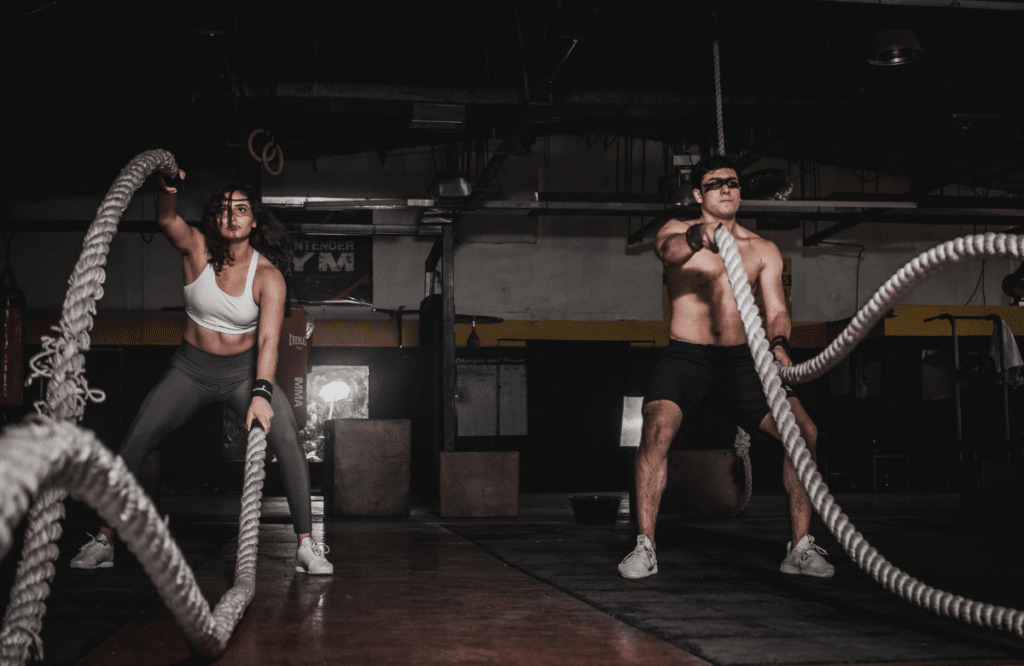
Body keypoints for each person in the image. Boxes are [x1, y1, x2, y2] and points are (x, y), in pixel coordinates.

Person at [71, 170, 332, 575]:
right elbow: (165, 220)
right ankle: (104, 540)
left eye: (241, 210)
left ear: (253, 221)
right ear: (216, 218)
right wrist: (168, 188)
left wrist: (262, 393)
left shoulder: (268, 277)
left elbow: (268, 342)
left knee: (288, 439)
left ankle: (306, 545)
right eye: (224, 210)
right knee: (138, 436)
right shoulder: (196, 248)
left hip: (245, 373)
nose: (232, 217)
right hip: (190, 370)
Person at [618, 154, 833, 580]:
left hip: (743, 362)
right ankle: (645, 545)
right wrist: (703, 236)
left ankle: (800, 547)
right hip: (687, 357)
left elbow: (776, 310)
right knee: (656, 427)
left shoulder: (763, 249)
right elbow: (668, 252)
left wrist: (778, 344)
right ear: (699, 194)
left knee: (804, 433)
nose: (727, 189)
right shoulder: (679, 233)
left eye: (732, 183)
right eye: (715, 183)